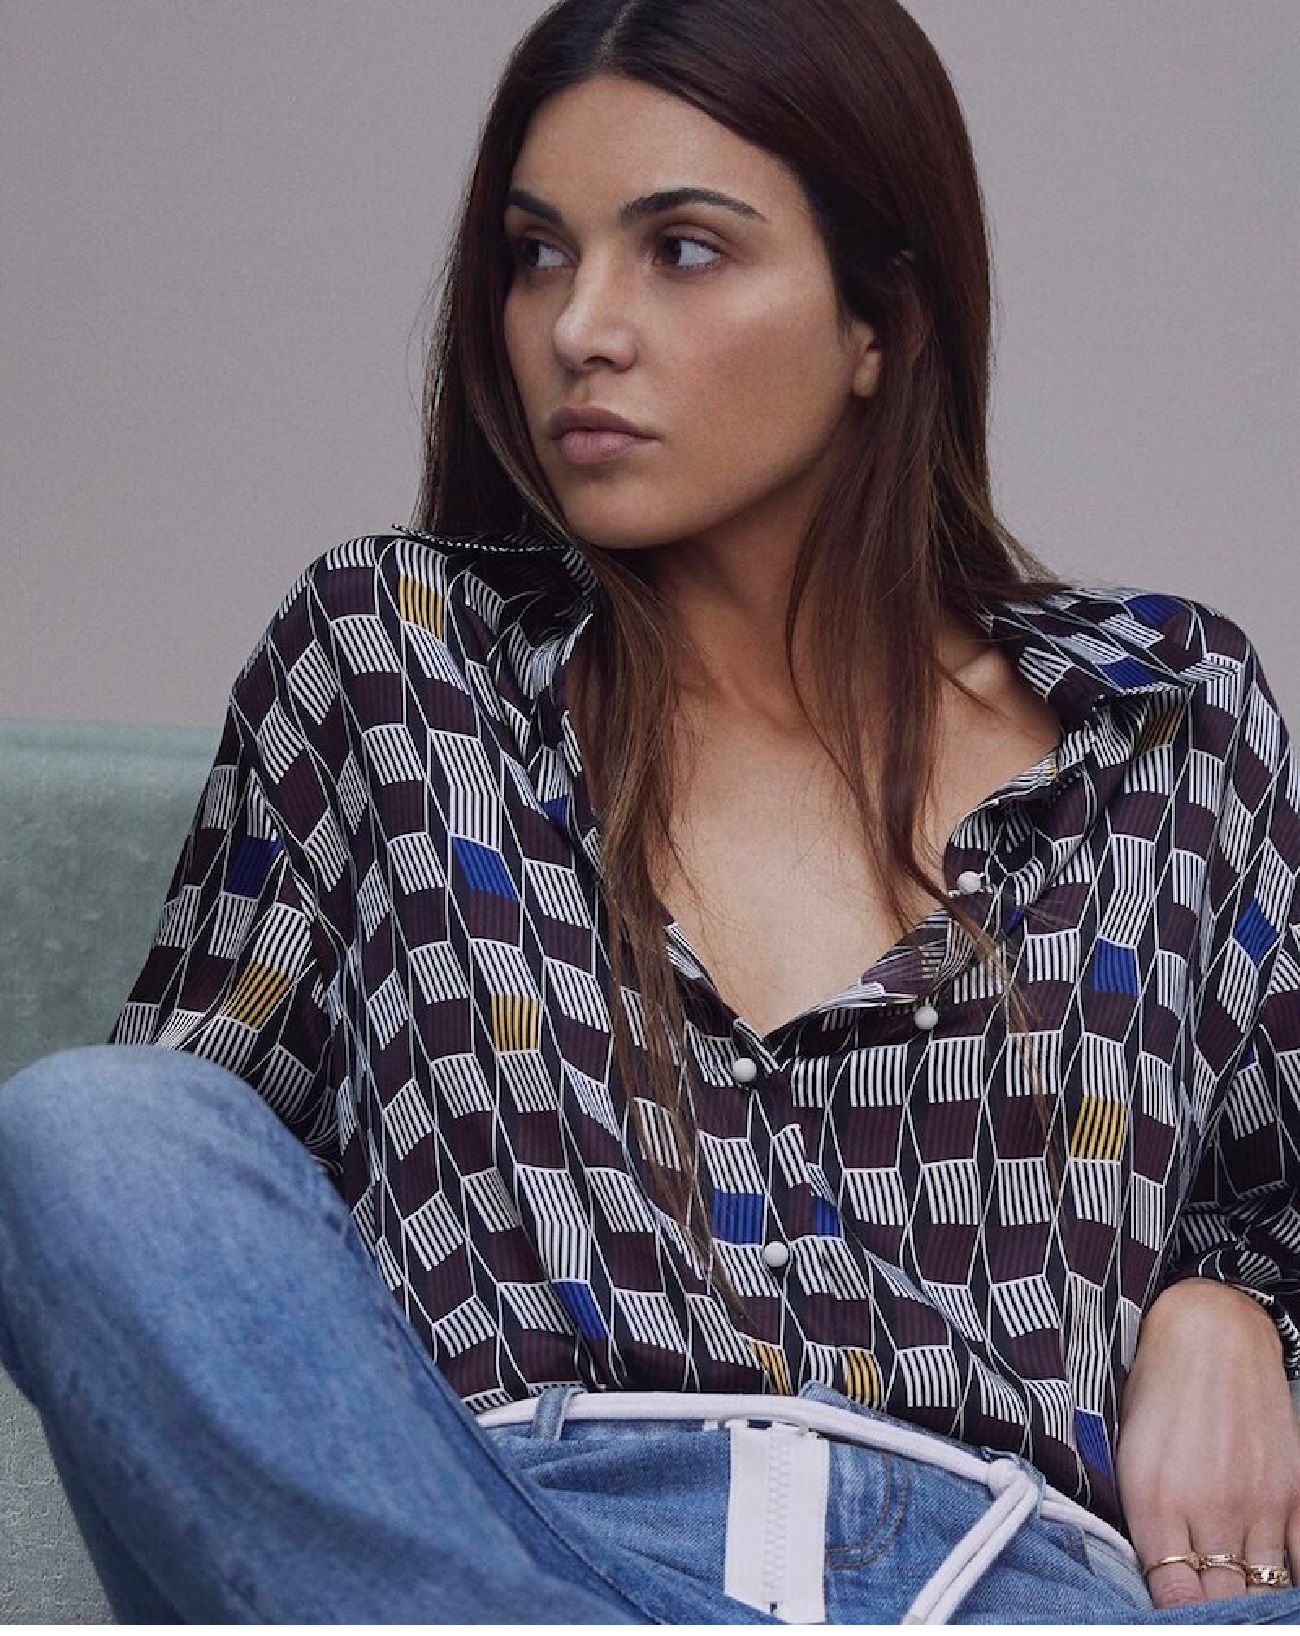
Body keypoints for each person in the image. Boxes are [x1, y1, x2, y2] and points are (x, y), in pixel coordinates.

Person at [1, 0, 1297, 1623]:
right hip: (507, 1561)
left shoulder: (1162, 717)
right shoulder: (396, 663)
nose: (579, 327)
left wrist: (1232, 1314)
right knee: (93, 1134)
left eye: (682, 250)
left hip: (1019, 1584)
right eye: (538, 255)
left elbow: (1280, 1212)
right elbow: (167, 1257)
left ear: (880, 319)